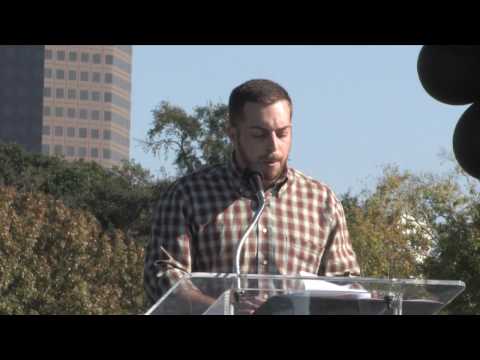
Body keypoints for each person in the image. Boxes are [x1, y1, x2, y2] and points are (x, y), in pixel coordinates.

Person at [144, 79, 360, 312]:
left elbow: (343, 284)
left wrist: (361, 296)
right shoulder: (188, 196)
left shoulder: (321, 201)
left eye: (282, 133)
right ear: (233, 134)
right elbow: (163, 279)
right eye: (259, 135)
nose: (274, 146)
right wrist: (226, 309)